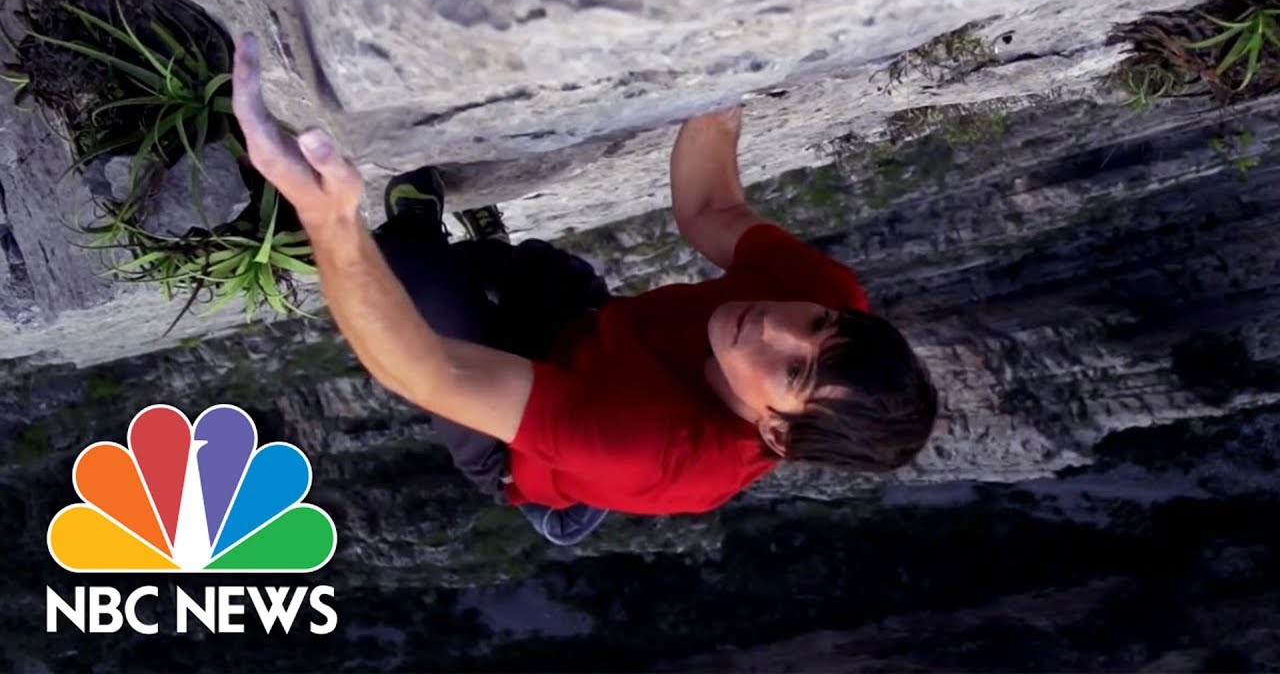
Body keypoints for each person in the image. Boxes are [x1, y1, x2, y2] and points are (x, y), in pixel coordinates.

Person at [231, 33, 939, 546]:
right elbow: (712, 210)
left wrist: (330, 223)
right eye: (817, 324)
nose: (776, 325)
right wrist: (733, 56)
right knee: (539, 272)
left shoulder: (648, 448)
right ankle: (485, 253)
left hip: (531, 458)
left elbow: (423, 368)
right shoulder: (826, 295)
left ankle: (419, 236)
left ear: (776, 431)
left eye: (793, 369)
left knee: (409, 273)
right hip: (592, 341)